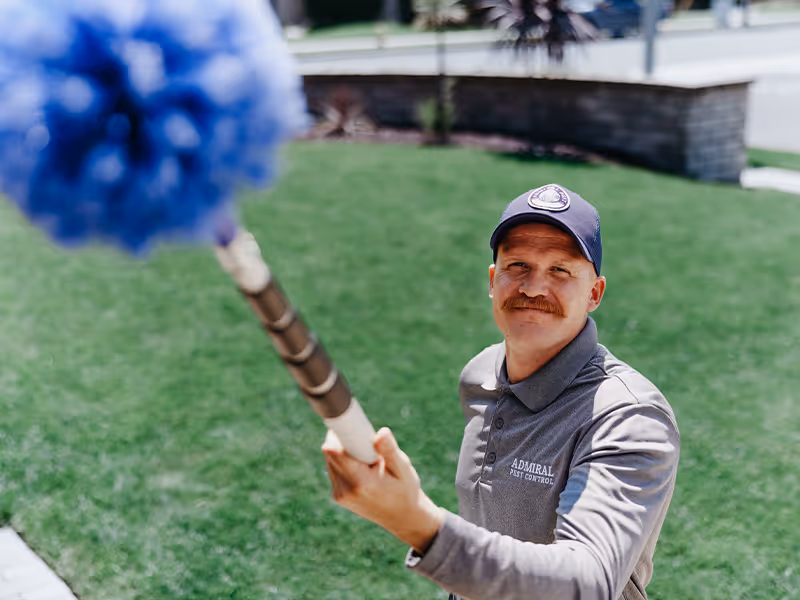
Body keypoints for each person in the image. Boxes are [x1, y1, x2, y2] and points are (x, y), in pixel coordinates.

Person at [322, 183, 680, 600]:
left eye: (560, 271)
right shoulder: (482, 375)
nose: (532, 287)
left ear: (595, 294)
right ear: (494, 280)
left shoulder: (629, 417)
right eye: (518, 266)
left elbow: (588, 582)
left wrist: (418, 522)